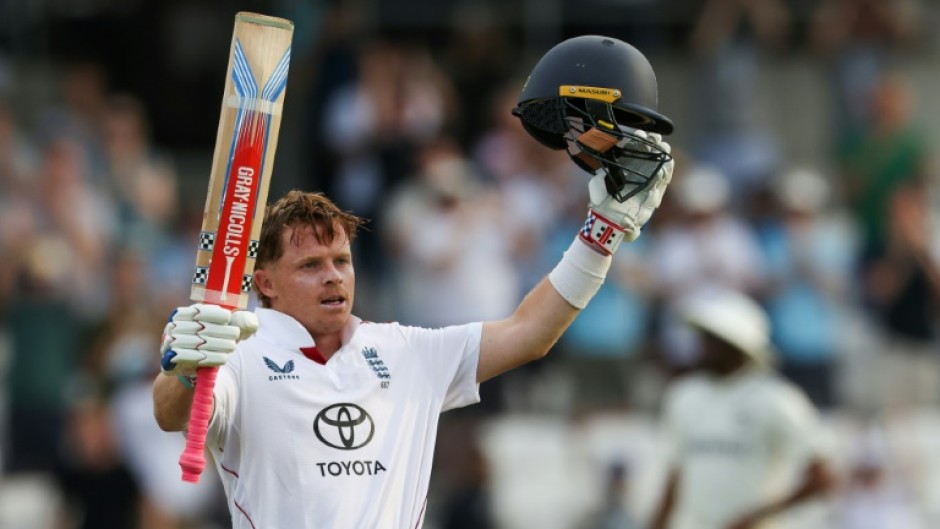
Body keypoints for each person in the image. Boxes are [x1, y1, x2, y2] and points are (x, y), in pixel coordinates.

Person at [152, 35, 675, 528]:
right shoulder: (238, 350)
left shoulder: (403, 351)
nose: (333, 276)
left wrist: (600, 233)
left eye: (341, 260)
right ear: (264, 283)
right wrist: (186, 369)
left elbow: (530, 331)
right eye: (310, 266)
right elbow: (169, 413)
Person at [650, 288, 834, 529]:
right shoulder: (684, 396)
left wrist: (756, 516)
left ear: (735, 344)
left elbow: (823, 478)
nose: (701, 344)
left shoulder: (776, 399)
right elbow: (677, 474)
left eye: (711, 337)